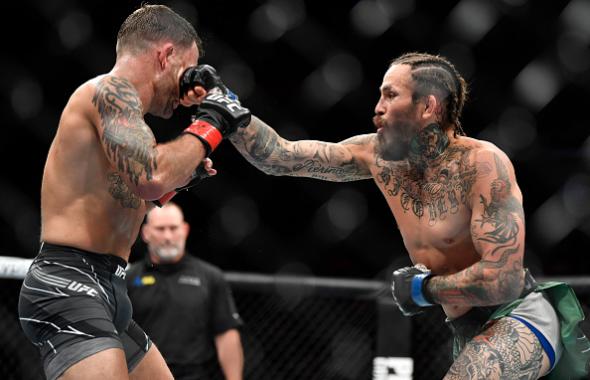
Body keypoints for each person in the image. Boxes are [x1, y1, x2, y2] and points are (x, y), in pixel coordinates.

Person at [213, 52, 588, 378]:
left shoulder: (482, 163)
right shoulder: (377, 156)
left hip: (518, 318)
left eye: (390, 95)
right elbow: (282, 157)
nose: (377, 107)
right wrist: (227, 111)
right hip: (466, 330)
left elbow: (503, 279)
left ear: (428, 107)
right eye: (379, 94)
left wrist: (423, 290)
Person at [17, 4, 250, 380]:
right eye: (186, 70)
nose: (184, 89)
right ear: (166, 55)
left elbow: (137, 198)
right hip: (68, 283)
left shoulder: (131, 123)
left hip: (108, 285)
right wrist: (212, 122)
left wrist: (185, 177)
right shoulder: (109, 91)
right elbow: (153, 176)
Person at [126, 202, 243, 380]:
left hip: (194, 375)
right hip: (141, 374)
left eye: (173, 228)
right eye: (160, 229)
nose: (168, 236)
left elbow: (226, 334)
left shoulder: (210, 277)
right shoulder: (127, 278)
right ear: (146, 233)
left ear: (185, 230)